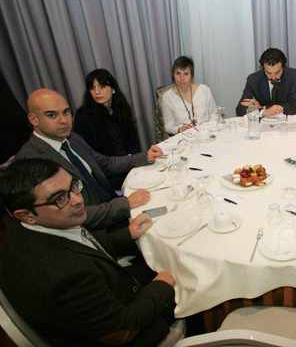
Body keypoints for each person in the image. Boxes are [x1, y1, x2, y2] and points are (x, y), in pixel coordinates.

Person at [0, 158, 176, 346]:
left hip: (104, 295)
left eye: (73, 186)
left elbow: (80, 244)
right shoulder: (65, 275)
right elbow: (122, 330)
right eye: (59, 198)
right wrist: (163, 284)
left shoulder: (21, 226)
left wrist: (127, 234)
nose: (78, 200)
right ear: (26, 215)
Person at [16, 89, 163, 229]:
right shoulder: (30, 161)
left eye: (66, 112)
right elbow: (67, 215)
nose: (64, 121)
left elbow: (105, 164)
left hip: (112, 203)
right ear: (33, 119)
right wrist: (124, 204)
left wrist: (144, 156)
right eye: (52, 115)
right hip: (98, 227)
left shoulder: (72, 139)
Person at [74, 69, 141, 189]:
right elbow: (92, 156)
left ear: (113, 88)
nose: (97, 92)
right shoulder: (83, 116)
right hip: (108, 173)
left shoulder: (122, 107)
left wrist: (135, 161)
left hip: (130, 165)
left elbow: (133, 139)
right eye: (92, 88)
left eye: (102, 86)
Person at [235, 48, 296, 117]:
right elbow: (240, 110)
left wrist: (262, 108)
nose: (273, 77)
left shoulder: (293, 76)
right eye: (269, 73)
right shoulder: (253, 79)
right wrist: (262, 112)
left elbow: (294, 106)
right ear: (263, 68)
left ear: (283, 67)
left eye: (277, 72)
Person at [161, 56, 217, 135]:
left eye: (186, 74)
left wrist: (208, 128)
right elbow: (168, 126)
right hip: (185, 137)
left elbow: (214, 114)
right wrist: (179, 129)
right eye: (178, 73)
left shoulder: (204, 90)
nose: (182, 78)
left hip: (207, 133)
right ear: (173, 75)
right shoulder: (167, 97)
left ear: (191, 75)